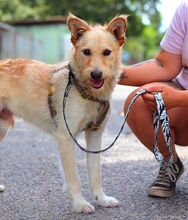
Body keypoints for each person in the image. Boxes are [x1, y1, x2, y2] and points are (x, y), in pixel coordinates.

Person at [118, 0, 188, 198]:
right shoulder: (186, 10)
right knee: (141, 101)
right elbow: (165, 65)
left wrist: (179, 98)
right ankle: (170, 163)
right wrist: (107, 74)